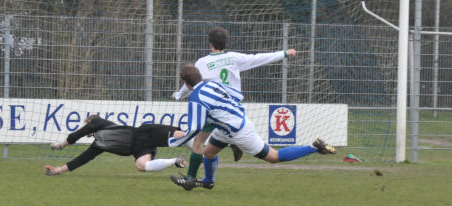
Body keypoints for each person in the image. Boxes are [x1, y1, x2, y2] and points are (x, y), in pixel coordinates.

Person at [168, 64, 336, 190]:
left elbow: (195, 126)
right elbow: (237, 95)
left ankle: (313, 147)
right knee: (209, 152)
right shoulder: (213, 84)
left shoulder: (196, 98)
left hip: (238, 131)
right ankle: (208, 181)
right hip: (229, 126)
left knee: (273, 157)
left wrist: (175, 141)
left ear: (185, 83)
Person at [172, 26, 297, 182]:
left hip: (215, 107)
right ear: (226, 43)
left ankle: (191, 178)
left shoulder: (203, 63)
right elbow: (258, 58)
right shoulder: (234, 58)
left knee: (198, 141)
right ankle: (230, 147)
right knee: (213, 144)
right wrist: (284, 53)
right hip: (234, 107)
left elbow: (191, 83)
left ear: (210, 43)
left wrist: (178, 95)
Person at [44, 114, 188, 176]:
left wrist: (61, 145)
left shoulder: (98, 122)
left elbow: (76, 135)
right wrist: (57, 171)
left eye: (87, 125)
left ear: (91, 122)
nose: (86, 128)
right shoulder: (98, 145)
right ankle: (176, 161)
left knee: (181, 135)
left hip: (144, 133)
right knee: (141, 166)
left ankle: (201, 154)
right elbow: (81, 160)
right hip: (138, 149)